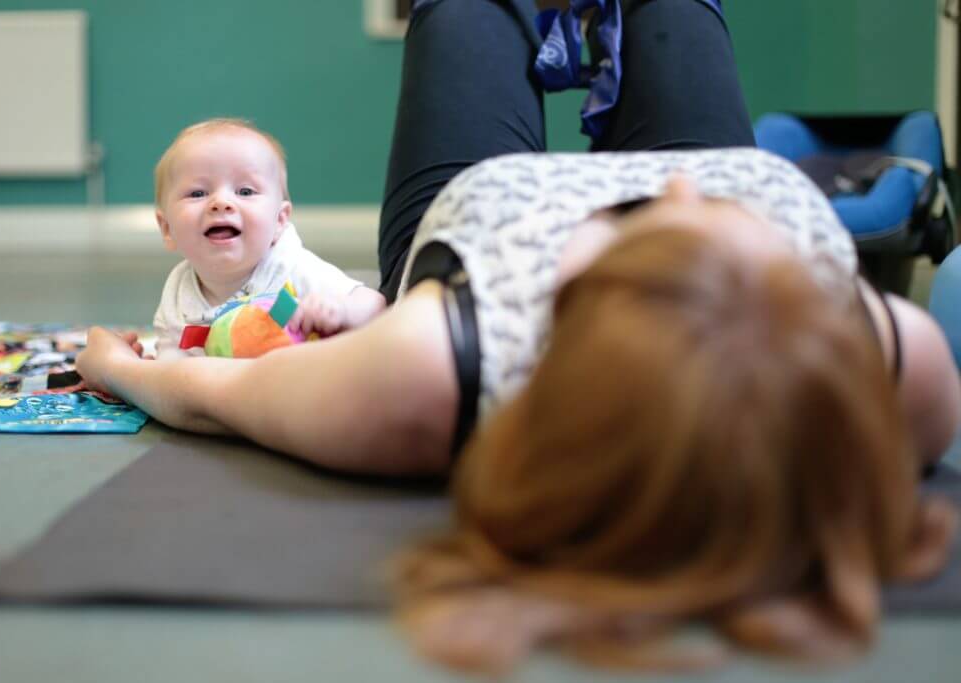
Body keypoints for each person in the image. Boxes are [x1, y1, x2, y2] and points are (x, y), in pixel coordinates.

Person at [77, 0, 960, 669]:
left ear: (572, 302)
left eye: (655, 233)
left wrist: (118, 364)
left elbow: (218, 392)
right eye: (714, 227)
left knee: (465, 12)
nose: (677, 189)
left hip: (477, 205)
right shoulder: (889, 370)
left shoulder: (433, 372)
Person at [150, 118, 386, 358]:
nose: (221, 202)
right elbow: (170, 361)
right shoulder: (178, 296)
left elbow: (375, 305)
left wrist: (341, 310)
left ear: (279, 221)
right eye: (198, 193)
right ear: (167, 228)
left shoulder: (289, 270)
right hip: (223, 391)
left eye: (245, 191)